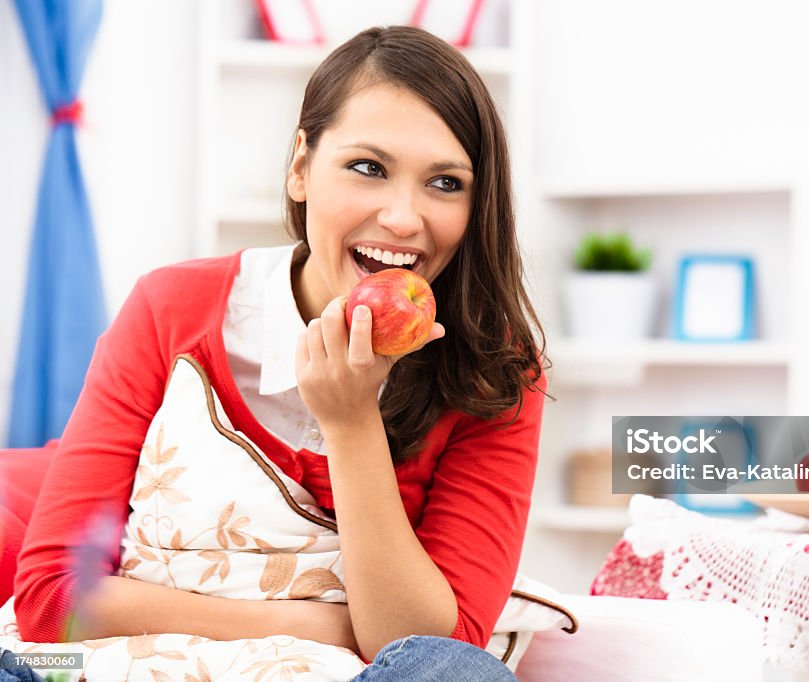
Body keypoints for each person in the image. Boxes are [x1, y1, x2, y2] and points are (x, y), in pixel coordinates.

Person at [9, 25, 546, 680]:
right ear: (300, 168)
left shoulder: (495, 371)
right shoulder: (173, 309)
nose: (405, 218)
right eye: (367, 168)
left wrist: (350, 426)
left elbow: (430, 649)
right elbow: (52, 600)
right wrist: (305, 621)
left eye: (445, 183)